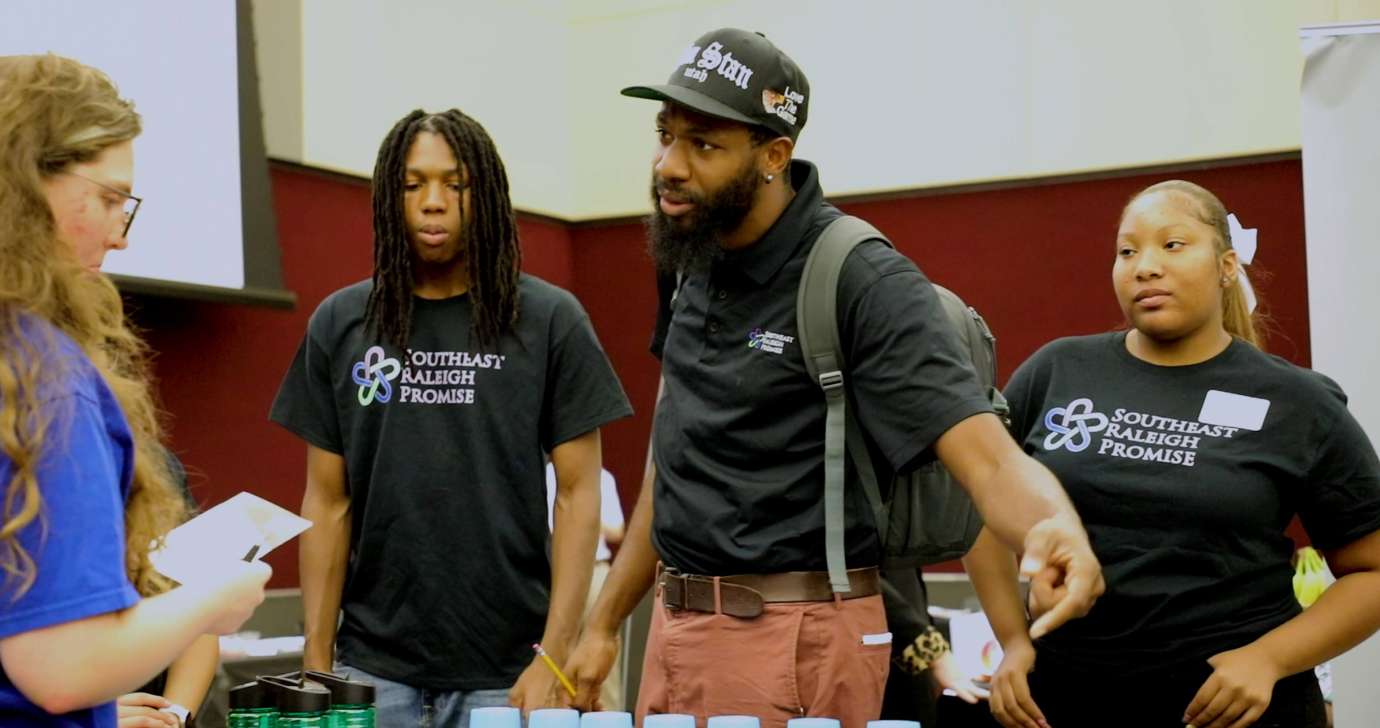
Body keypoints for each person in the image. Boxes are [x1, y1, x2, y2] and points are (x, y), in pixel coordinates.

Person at [561, 29, 1102, 727]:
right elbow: (676, 458)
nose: (669, 165)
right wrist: (606, 624)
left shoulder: (860, 276)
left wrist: (1052, 526)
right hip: (675, 632)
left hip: (794, 635)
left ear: (774, 156)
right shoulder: (689, 254)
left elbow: (985, 454)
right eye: (664, 135)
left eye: (703, 144)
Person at [270, 108, 632, 726]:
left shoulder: (548, 320)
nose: (432, 202)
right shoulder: (342, 322)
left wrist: (554, 656)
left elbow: (577, 495)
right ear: (390, 197)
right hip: (370, 672)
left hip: (510, 672)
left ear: (483, 193)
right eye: (412, 185)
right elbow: (326, 502)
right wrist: (318, 661)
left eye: (454, 184)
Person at [978, 180, 1380, 728]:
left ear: (1227, 265)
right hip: (1064, 700)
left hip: (1231, 708)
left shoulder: (1296, 401)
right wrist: (1013, 642)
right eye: (1127, 250)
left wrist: (1269, 659)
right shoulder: (1057, 371)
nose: (1145, 266)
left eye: (1173, 244)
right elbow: (978, 502)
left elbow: (1372, 571)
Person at [0, 54, 270, 728]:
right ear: (30, 182)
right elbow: (61, 669)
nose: (119, 236)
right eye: (111, 198)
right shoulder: (43, 380)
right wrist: (215, 598)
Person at [545, 463, 627, 710]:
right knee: (553, 654)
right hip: (556, 571)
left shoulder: (604, 477)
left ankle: (607, 717)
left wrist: (585, 519)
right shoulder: (545, 474)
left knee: (602, 658)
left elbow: (618, 531)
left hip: (596, 570)